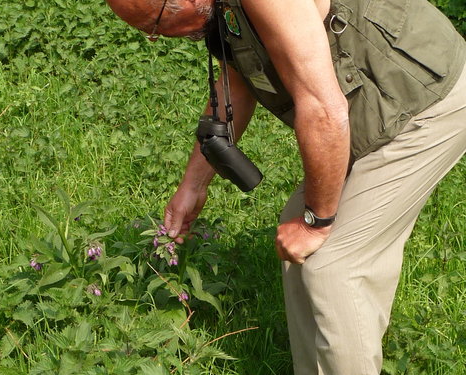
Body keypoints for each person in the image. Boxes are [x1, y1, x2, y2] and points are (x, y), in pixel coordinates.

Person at [106, 0, 466, 373]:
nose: (159, 37)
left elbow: (324, 109)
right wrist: (192, 186)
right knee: (299, 249)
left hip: (424, 101)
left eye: (156, 24)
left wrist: (316, 223)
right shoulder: (222, 11)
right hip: (373, 109)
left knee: (335, 267)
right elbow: (239, 84)